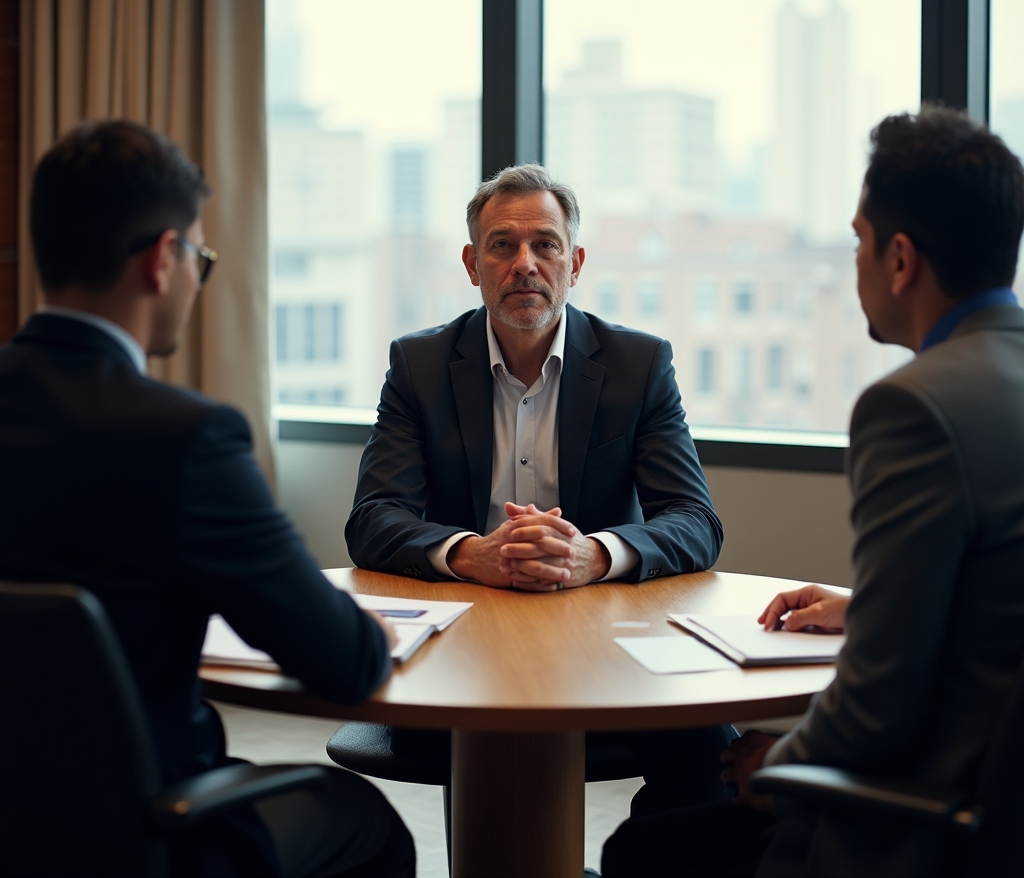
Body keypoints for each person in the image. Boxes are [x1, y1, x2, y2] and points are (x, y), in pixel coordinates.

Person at [601, 105, 1024, 878]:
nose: (853, 264)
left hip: (923, 831)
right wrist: (866, 604)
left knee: (641, 852)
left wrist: (777, 761)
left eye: (858, 243)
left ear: (900, 259)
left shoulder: (915, 406)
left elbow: (875, 707)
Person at [0, 121, 415, 878]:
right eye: (202, 255)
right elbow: (345, 662)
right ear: (164, 259)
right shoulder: (186, 439)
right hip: (139, 837)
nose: (198, 275)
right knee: (366, 823)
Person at [347, 163, 732, 816]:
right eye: (503, 245)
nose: (525, 263)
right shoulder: (420, 365)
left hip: (604, 649)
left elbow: (696, 521)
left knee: (709, 755)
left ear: (574, 262)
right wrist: (470, 552)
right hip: (459, 650)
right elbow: (373, 519)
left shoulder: (638, 365)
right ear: (473, 263)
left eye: (545, 244)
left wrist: (595, 553)